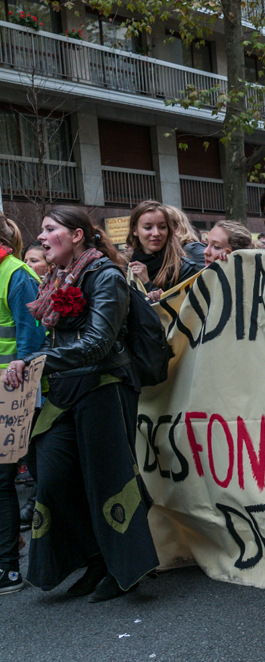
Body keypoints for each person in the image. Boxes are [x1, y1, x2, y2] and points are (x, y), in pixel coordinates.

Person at [5, 206, 159, 602]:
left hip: (105, 385)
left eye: (49, 229)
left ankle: (124, 570)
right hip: (64, 390)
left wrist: (35, 362)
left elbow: (98, 343)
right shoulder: (54, 278)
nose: (40, 237)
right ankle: (92, 558)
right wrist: (27, 364)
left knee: (106, 478)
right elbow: (52, 339)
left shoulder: (106, 276)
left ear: (76, 235)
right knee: (51, 474)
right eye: (41, 230)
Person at [0, 216, 45, 595]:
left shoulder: (16, 274)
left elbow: (31, 336)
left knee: (6, 481)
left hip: (14, 395)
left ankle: (10, 568)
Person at [126, 200, 202, 302]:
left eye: (162, 227)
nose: (156, 233)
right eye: (148, 227)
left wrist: (148, 284)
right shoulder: (124, 267)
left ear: (169, 230)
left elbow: (186, 313)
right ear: (135, 230)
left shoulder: (185, 269)